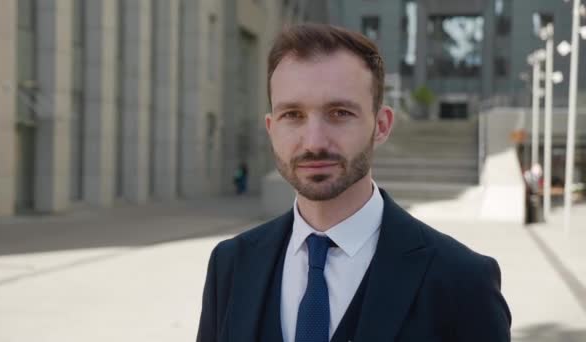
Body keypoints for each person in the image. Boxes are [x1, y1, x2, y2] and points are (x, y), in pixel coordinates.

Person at [197, 24, 511, 342]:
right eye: (292, 115)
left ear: (382, 125)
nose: (314, 142)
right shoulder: (231, 265)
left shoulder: (463, 280)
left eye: (340, 112)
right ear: (271, 128)